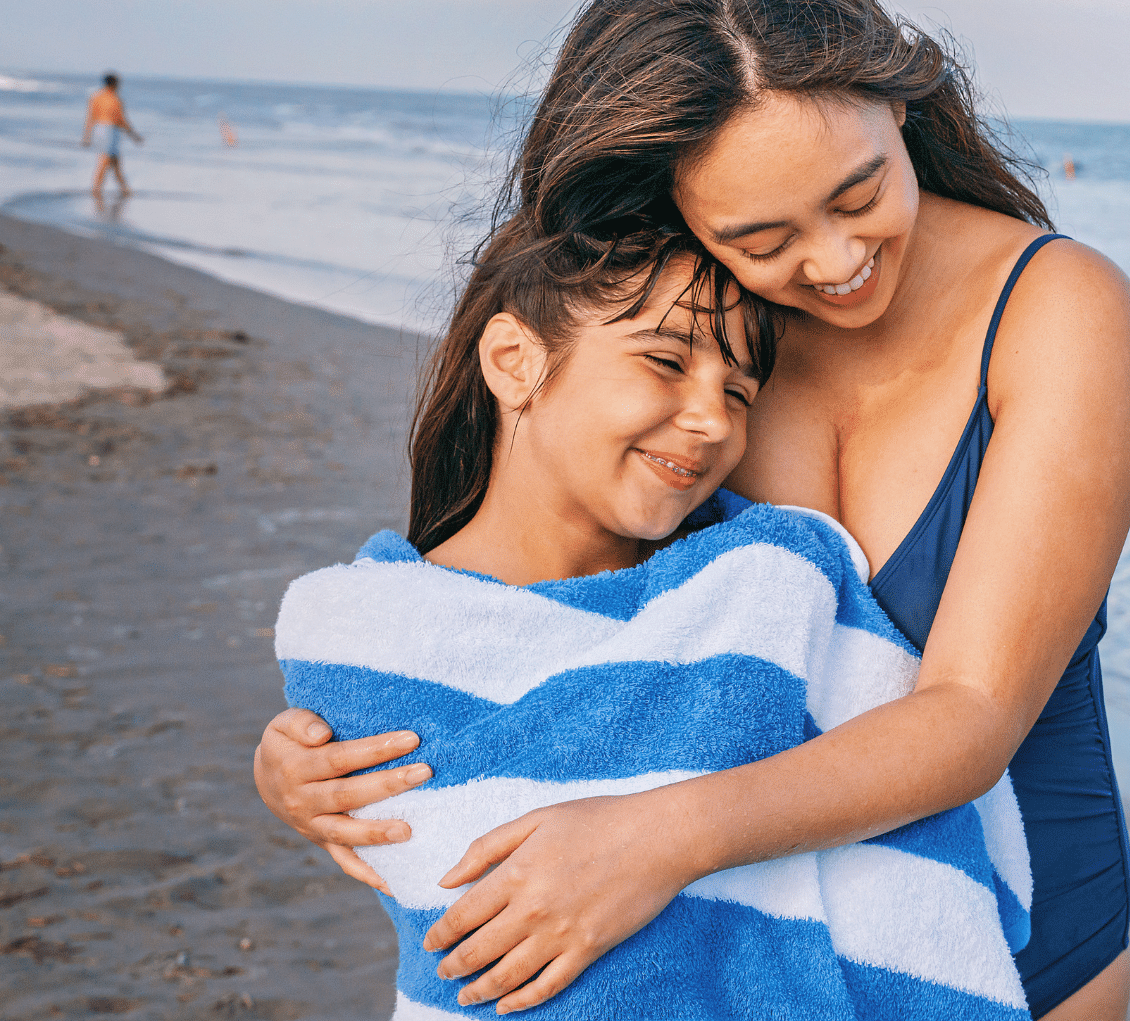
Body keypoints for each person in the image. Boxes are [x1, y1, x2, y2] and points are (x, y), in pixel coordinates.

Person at [254, 0, 1130, 1020]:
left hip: (1019, 932)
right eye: (762, 237)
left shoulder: (1057, 311)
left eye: (860, 193)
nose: (831, 261)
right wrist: (319, 754)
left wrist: (657, 839)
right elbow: (533, 617)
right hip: (727, 936)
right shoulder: (693, 335)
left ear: (899, 99)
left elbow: (970, 710)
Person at [273, 222, 1035, 1018]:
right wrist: (298, 771)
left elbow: (916, 773)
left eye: (739, 394)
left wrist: (662, 843)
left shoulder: (761, 583)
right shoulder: (374, 630)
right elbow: (414, 829)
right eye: (666, 362)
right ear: (514, 361)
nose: (713, 421)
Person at [82, 72, 143, 200]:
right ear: (114, 84)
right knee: (105, 160)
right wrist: (133, 135)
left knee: (115, 161)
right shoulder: (115, 99)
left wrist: (87, 136)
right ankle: (96, 188)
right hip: (110, 130)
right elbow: (121, 119)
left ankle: (125, 189)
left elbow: (90, 117)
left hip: (99, 129)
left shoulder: (96, 97)